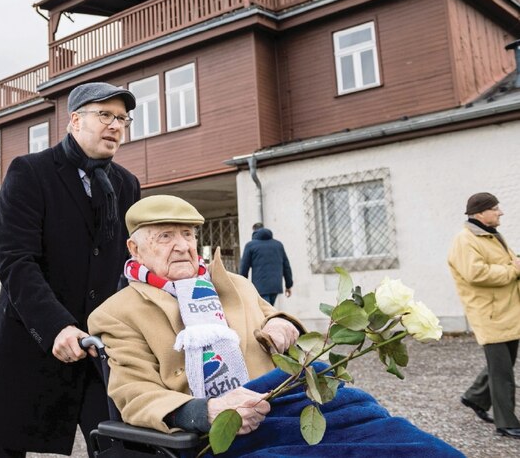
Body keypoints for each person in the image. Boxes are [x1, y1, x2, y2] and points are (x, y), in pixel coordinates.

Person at [88, 195, 464, 457]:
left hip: (285, 401)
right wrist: (204, 412)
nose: (183, 246)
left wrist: (281, 322)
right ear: (134, 249)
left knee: (397, 439)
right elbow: (133, 393)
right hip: (219, 434)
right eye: (165, 236)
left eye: (187, 234)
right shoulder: (118, 312)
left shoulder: (234, 283)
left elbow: (268, 314)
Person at [0, 82, 141, 457]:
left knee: (120, 445)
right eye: (105, 115)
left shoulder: (126, 184)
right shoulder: (30, 173)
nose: (115, 125)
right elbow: (17, 261)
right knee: (9, 445)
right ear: (74, 120)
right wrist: (55, 326)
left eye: (122, 118)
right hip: (33, 339)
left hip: (100, 346)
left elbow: (130, 263)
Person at [448, 192, 520, 439]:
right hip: (489, 314)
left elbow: (507, 263)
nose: (500, 212)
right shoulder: (465, 240)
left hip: (507, 312)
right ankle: (506, 422)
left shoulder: (491, 236)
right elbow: (475, 274)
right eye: (495, 208)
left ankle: (475, 397)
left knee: (503, 365)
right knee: (503, 372)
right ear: (479, 213)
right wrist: (513, 270)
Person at [240, 222, 293, 306]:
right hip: (275, 286)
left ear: (254, 231)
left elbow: (244, 268)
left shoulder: (250, 245)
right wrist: (288, 285)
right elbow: (286, 266)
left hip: (259, 286)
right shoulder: (278, 245)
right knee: (270, 309)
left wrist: (242, 285)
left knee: (265, 312)